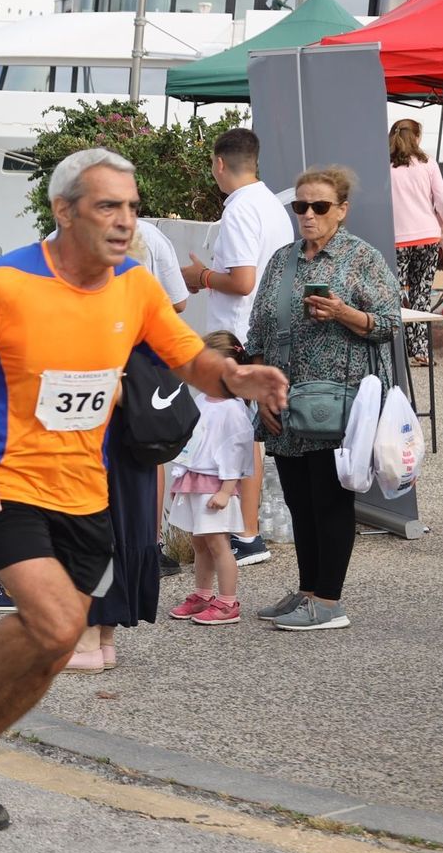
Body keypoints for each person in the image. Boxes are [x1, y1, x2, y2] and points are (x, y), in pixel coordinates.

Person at [0, 149, 289, 831]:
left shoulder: (134, 287)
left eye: (132, 208)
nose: (125, 221)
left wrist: (234, 377)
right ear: (64, 210)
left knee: (55, 650)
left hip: (88, 493)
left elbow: (188, 359)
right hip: (7, 484)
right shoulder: (3, 285)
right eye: (108, 206)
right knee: (58, 623)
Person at [0, 217, 191, 669]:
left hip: (95, 445)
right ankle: (102, 642)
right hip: (135, 442)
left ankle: (86, 642)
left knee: (86, 534)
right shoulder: (143, 295)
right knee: (122, 531)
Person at [245, 165, 400, 632]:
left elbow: (390, 323)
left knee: (329, 500)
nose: (308, 215)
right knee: (298, 499)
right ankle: (309, 590)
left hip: (337, 402)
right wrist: (257, 387)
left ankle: (329, 601)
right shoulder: (282, 259)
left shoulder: (362, 259)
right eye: (300, 206)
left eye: (319, 207)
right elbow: (258, 328)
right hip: (284, 401)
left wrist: (343, 313)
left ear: (342, 210)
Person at [181, 128, 291, 567]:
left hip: (238, 336)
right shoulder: (271, 205)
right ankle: (248, 530)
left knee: (240, 438)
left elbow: (242, 281)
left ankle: (247, 534)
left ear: (219, 164)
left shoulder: (240, 211)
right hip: (262, 330)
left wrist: (202, 278)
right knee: (247, 437)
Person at [165, 331, 256, 627]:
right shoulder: (203, 400)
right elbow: (190, 440)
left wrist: (228, 489)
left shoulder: (233, 409)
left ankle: (228, 602)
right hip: (195, 480)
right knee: (200, 542)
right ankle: (203, 594)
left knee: (218, 543)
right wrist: (179, 478)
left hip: (216, 485)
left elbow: (238, 451)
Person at [388, 118, 443, 365]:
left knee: (395, 293)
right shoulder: (428, 163)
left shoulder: (384, 165)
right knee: (421, 293)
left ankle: (396, 350)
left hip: (396, 238)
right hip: (427, 236)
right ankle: (420, 349)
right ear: (416, 137)